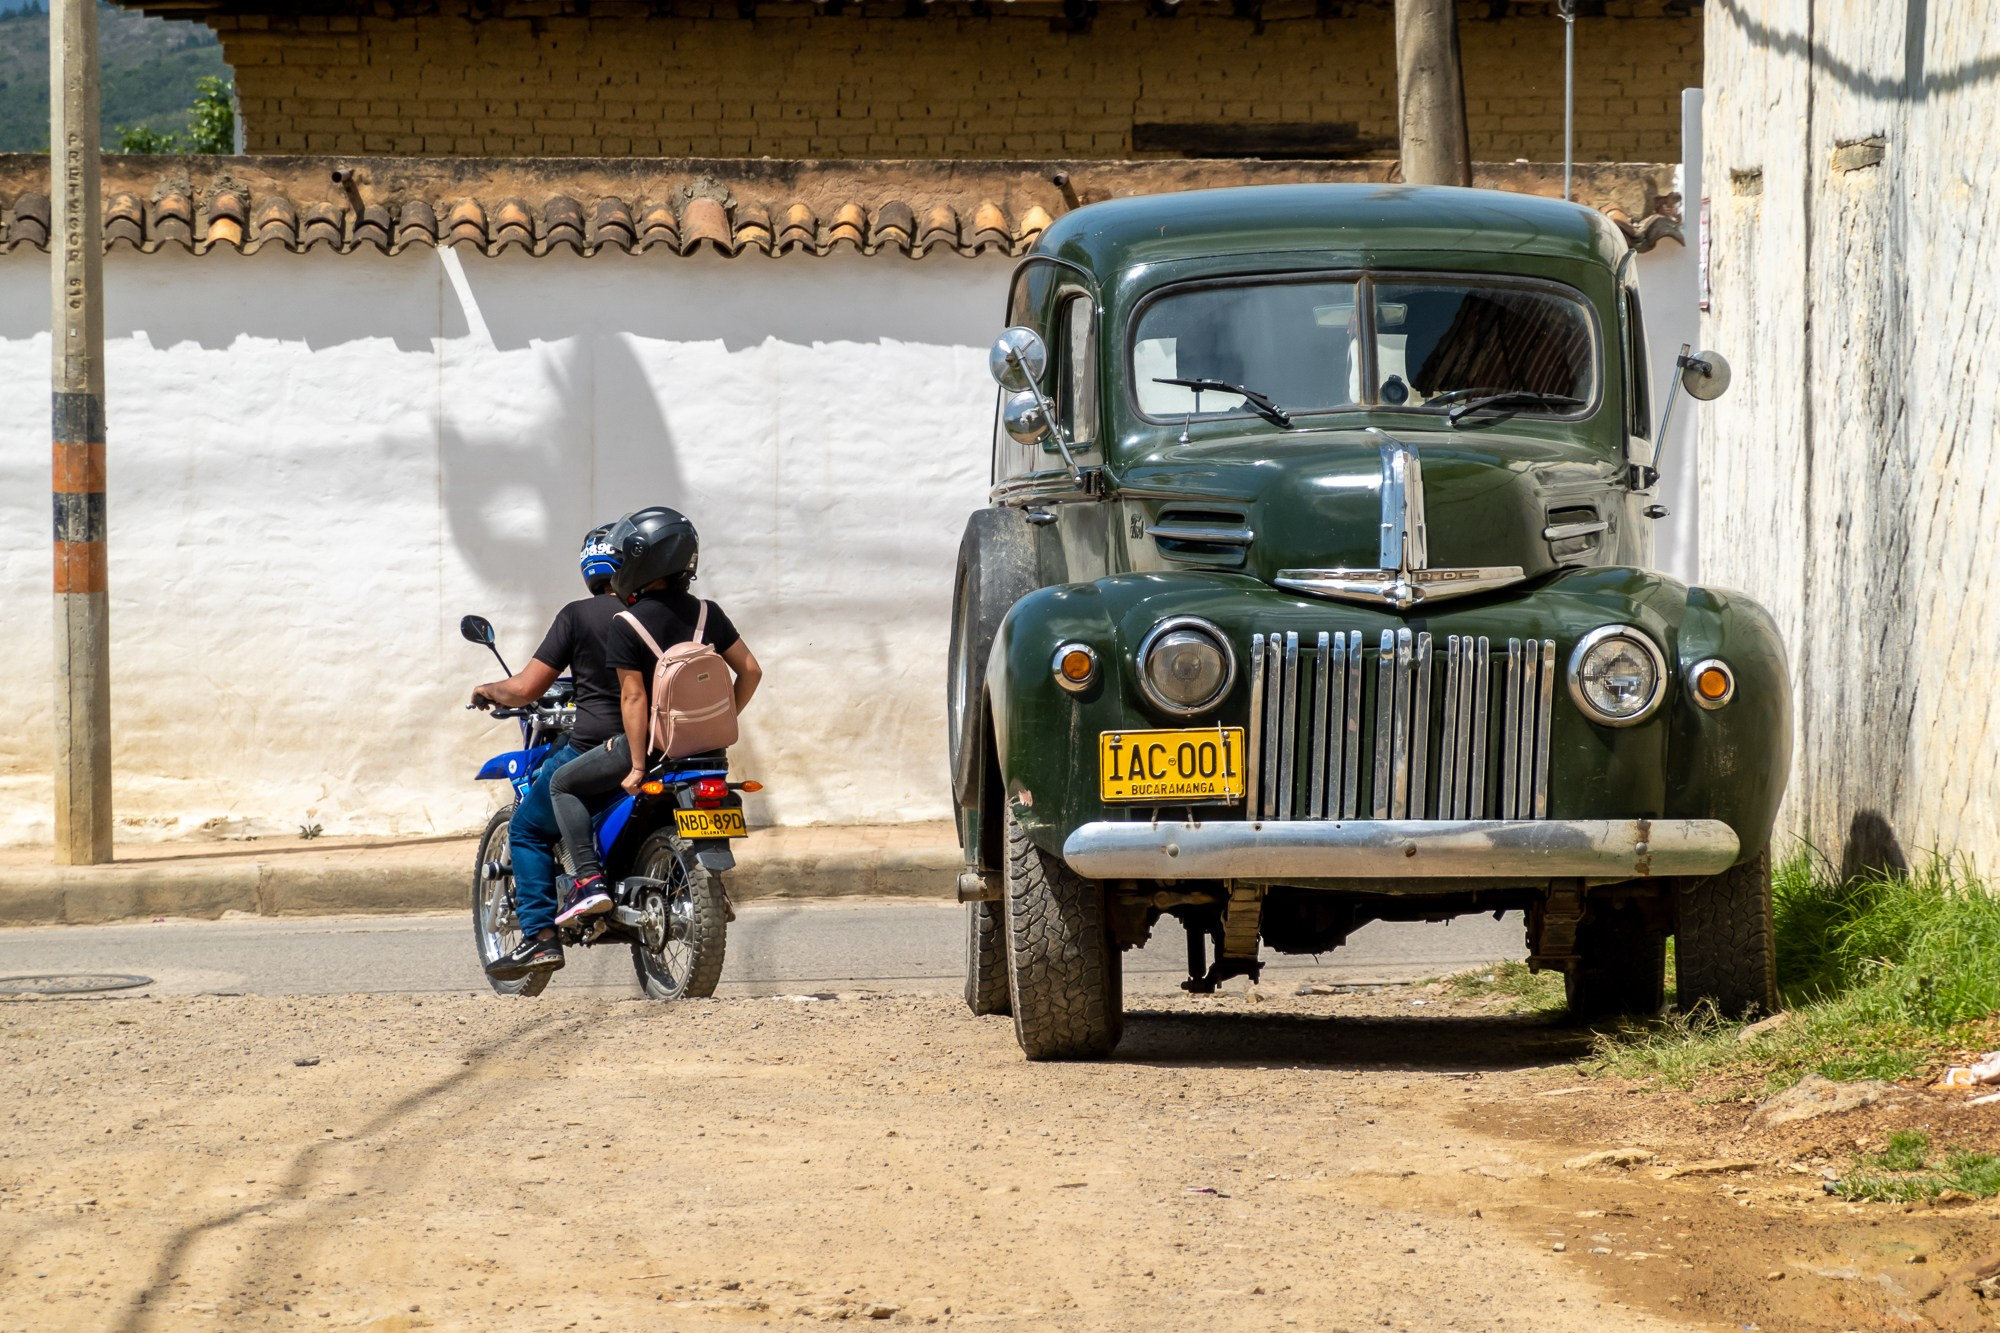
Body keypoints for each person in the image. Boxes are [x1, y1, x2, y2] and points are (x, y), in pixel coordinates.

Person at [546, 506, 761, 921]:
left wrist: (638, 766)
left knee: (560, 784)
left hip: (654, 747)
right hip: (707, 754)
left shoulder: (627, 622)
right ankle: (710, 892)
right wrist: (724, 719)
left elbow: (633, 699)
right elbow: (750, 670)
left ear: (643, 560)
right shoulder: (708, 613)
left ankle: (588, 882)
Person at [471, 524, 628, 980]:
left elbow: (525, 688)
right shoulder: (656, 614)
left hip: (598, 741)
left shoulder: (578, 616)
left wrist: (489, 690)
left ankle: (539, 937)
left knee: (526, 827)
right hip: (662, 744)